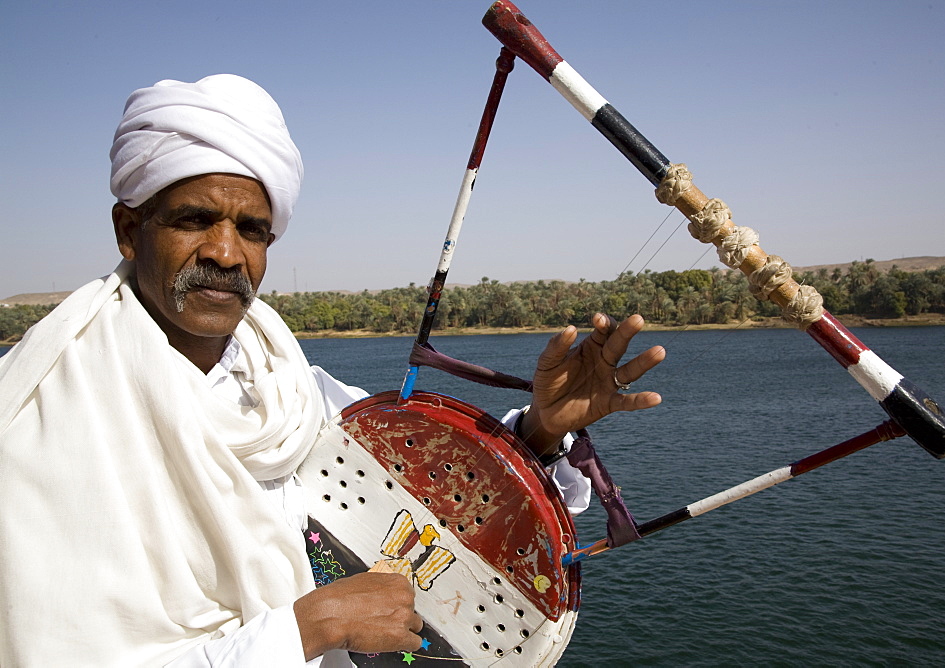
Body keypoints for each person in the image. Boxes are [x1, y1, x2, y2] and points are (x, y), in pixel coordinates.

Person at [0, 74, 665, 666]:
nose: (228, 253)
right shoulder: (41, 425)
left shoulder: (286, 383)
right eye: (195, 220)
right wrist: (307, 630)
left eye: (253, 231)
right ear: (128, 229)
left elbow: (413, 488)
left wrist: (542, 433)